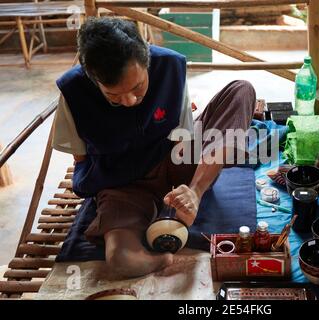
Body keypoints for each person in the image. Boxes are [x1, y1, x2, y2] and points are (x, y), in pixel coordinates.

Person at [52, 17, 256, 277]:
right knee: (121, 259)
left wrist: (194, 188)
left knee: (241, 91)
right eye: (113, 95)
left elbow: (183, 136)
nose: (129, 101)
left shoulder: (170, 66)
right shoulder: (73, 89)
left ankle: (194, 194)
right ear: (93, 79)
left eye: (138, 87)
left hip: (173, 155)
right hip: (122, 181)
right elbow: (81, 158)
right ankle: (161, 257)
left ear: (146, 59)